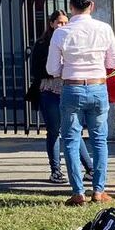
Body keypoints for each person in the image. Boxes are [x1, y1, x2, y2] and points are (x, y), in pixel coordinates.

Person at [46, 0, 115, 206]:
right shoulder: (104, 28)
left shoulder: (61, 32)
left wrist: (66, 70)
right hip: (98, 87)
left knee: (70, 139)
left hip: (72, 87)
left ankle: (78, 192)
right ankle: (99, 190)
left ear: (70, 7)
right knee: (99, 140)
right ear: (92, 5)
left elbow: (52, 68)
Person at [29, 10, 93, 184]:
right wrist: (55, 70)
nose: (62, 26)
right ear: (51, 24)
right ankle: (55, 170)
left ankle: (90, 168)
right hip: (49, 91)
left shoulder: (72, 40)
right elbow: (36, 70)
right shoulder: (42, 44)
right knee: (54, 131)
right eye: (59, 22)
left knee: (74, 130)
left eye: (65, 22)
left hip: (68, 90)